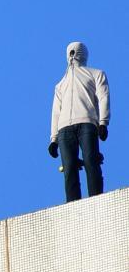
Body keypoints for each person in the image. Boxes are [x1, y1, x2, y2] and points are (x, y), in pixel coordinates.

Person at [50, 42, 109, 202]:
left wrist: (103, 122)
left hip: (87, 123)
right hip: (64, 129)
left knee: (91, 161)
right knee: (69, 168)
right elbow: (56, 112)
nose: (72, 55)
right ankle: (72, 203)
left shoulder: (96, 74)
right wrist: (54, 138)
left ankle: (96, 199)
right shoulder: (60, 84)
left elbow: (103, 97)